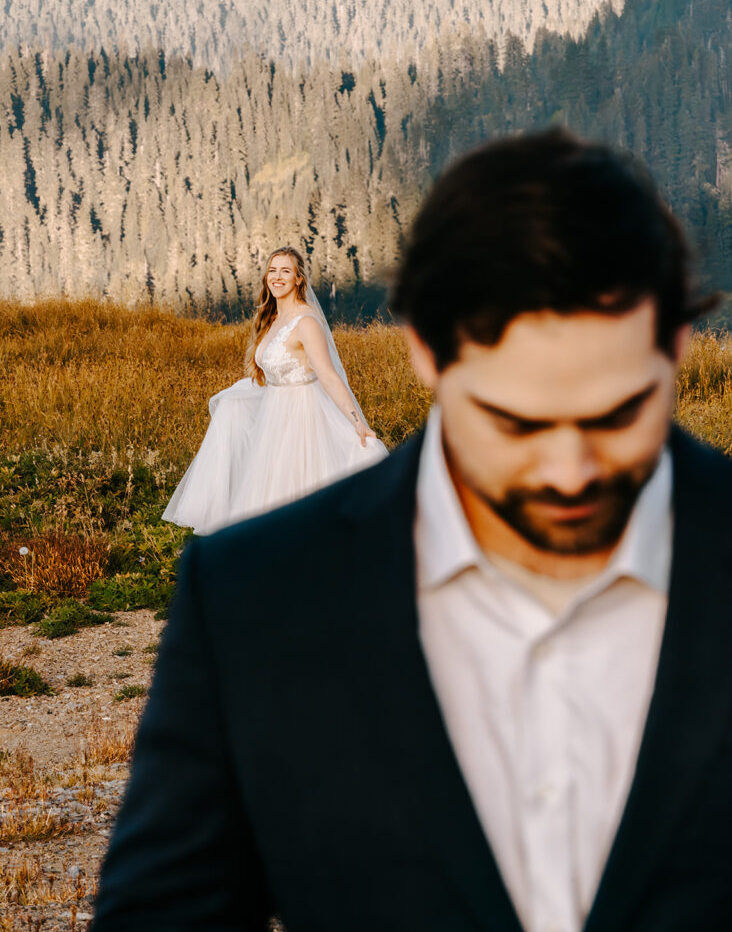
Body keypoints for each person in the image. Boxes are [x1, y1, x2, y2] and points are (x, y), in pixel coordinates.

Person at [91, 128, 732, 932]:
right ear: (427, 351)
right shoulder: (251, 597)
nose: (569, 471)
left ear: (675, 345)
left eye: (617, 413)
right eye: (514, 420)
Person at [161, 246, 387, 534]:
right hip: (274, 412)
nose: (277, 277)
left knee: (297, 485)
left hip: (302, 414)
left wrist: (357, 422)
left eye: (285, 271)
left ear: (298, 279)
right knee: (268, 488)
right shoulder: (272, 318)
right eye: (272, 270)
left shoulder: (306, 322)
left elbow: (328, 376)